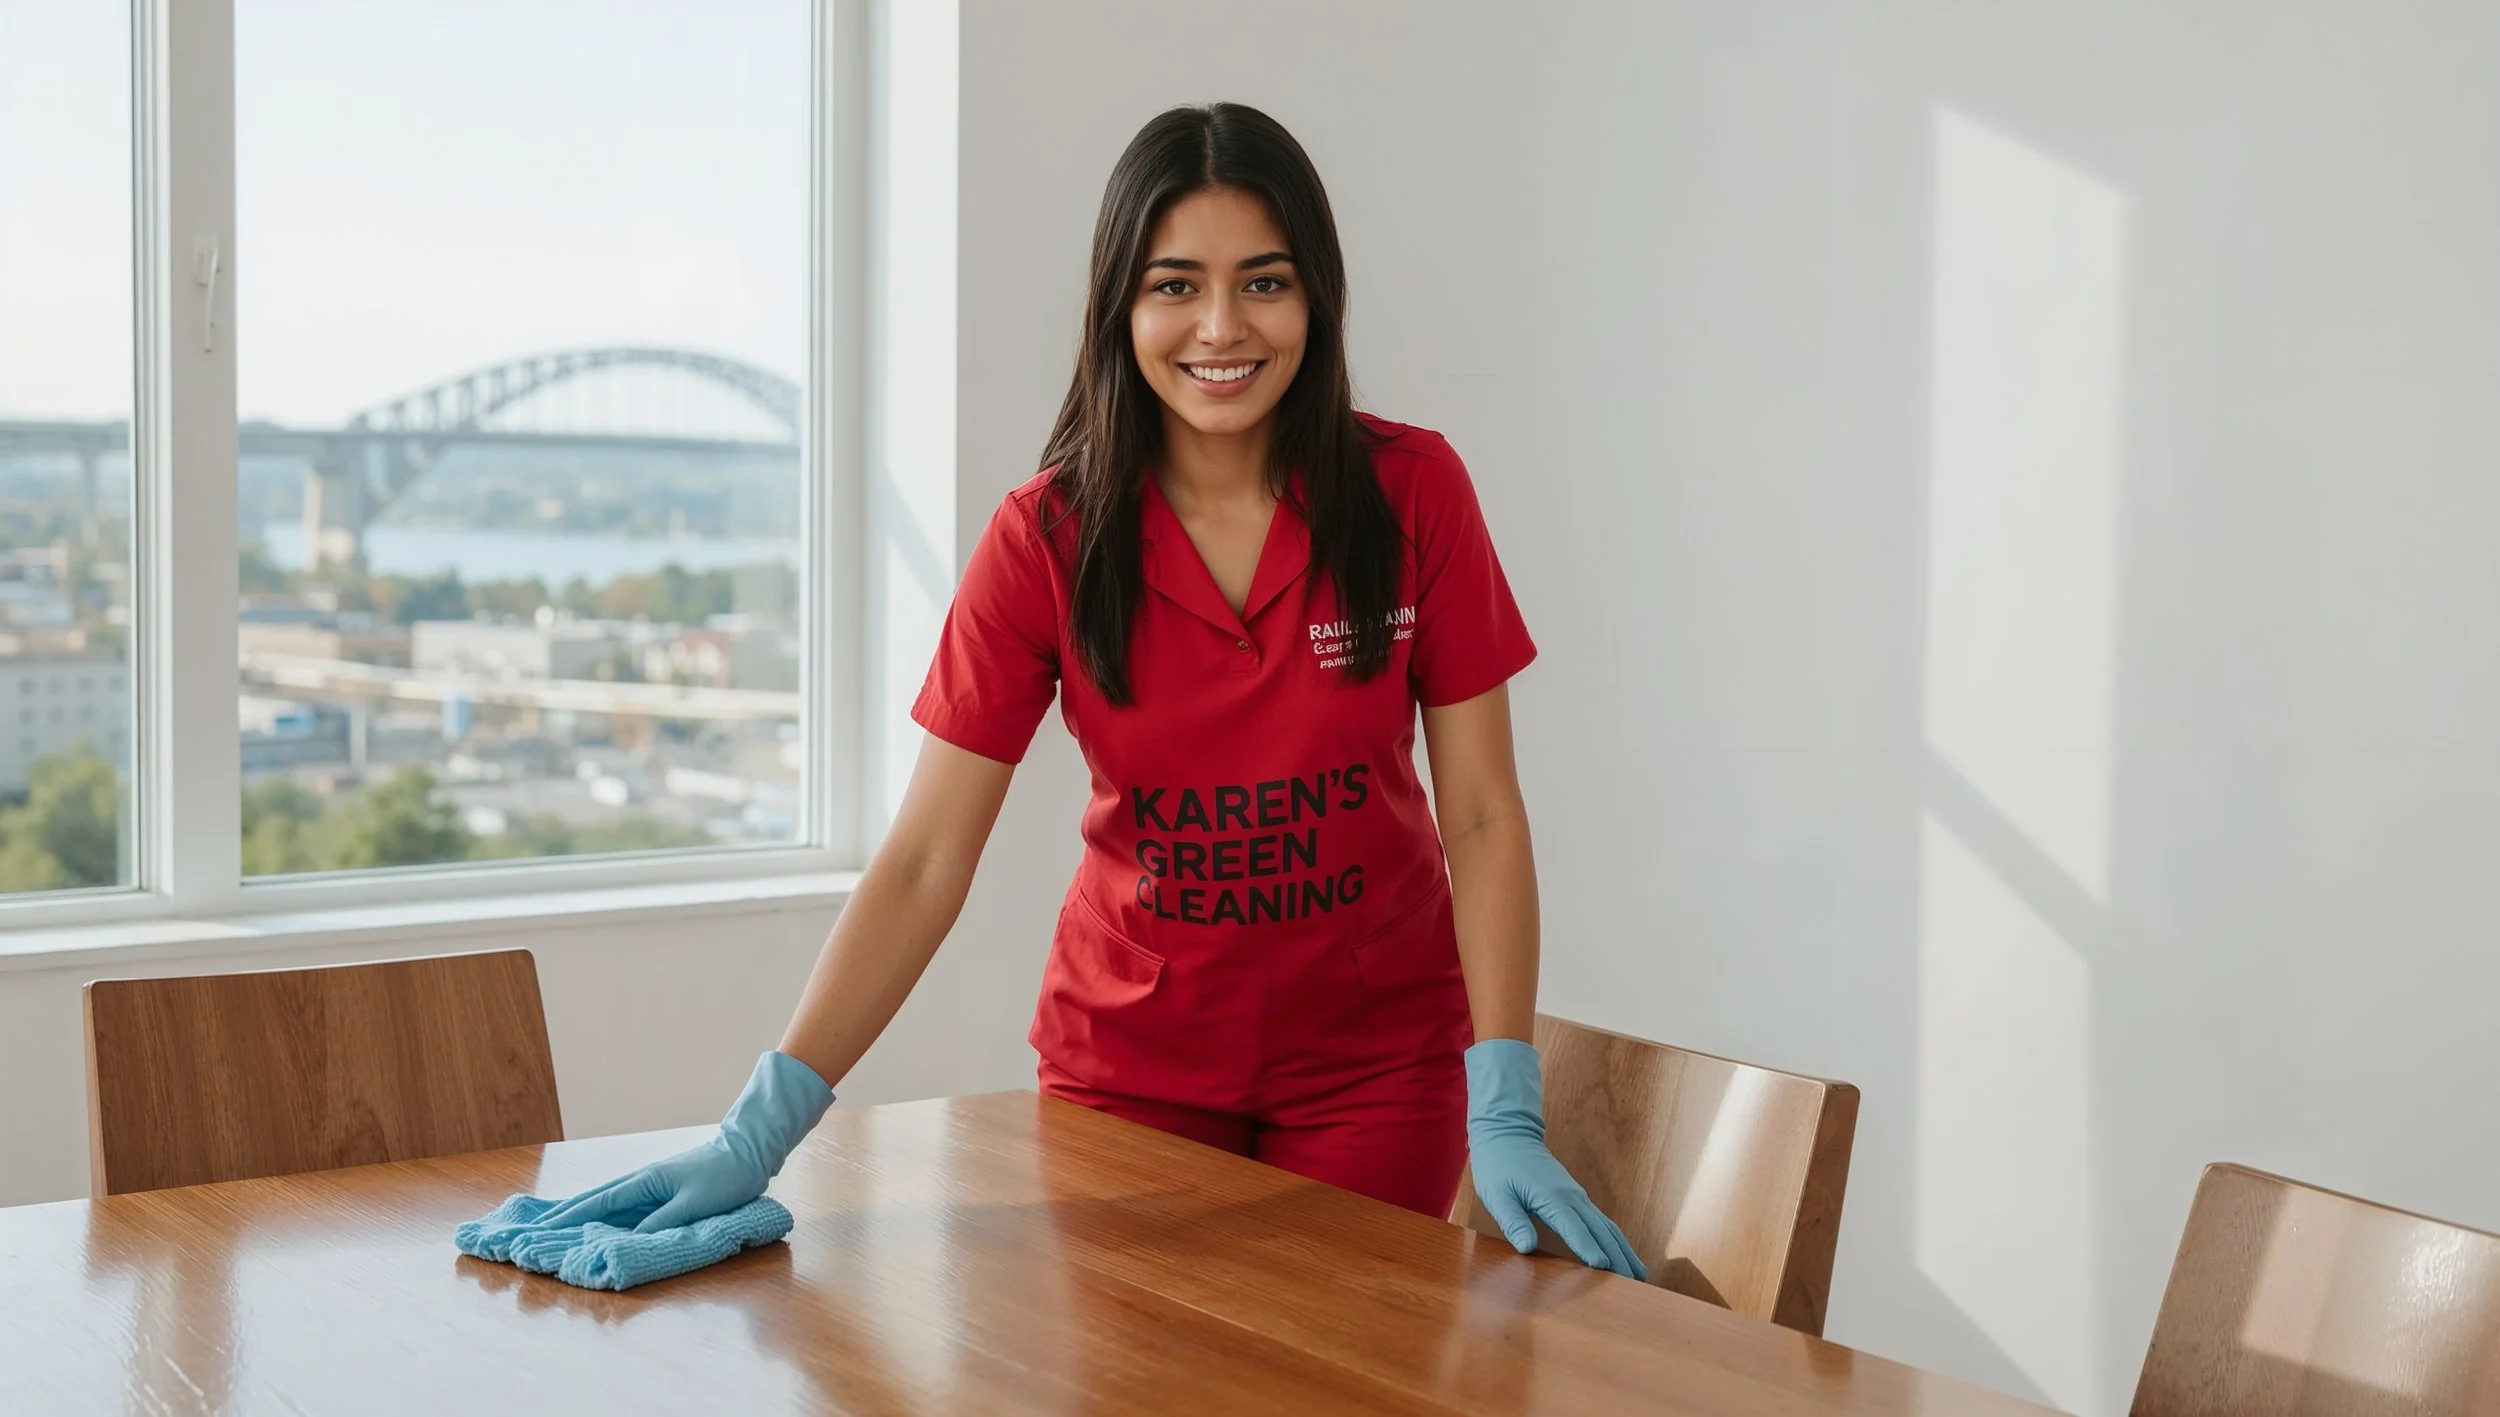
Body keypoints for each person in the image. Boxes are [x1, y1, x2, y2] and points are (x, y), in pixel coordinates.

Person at [522, 102, 1645, 1279]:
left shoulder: (1414, 494)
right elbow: (922, 863)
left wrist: (1504, 1098)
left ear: (1316, 296)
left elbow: (1479, 813)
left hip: (1377, 1072)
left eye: (1263, 283)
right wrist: (758, 1131)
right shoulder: (1043, 538)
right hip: (1131, 1071)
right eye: (1175, 285)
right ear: (1122, 303)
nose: (1221, 327)